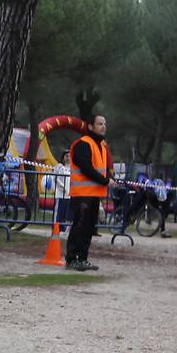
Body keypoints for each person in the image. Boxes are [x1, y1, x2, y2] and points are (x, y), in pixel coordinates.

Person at [65, 114, 111, 271]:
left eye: (104, 124)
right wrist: (105, 181)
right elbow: (86, 168)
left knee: (88, 228)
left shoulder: (102, 145)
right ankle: (72, 259)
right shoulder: (83, 144)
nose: (103, 126)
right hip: (82, 194)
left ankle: (83, 258)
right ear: (90, 126)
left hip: (94, 194)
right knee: (79, 226)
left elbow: (102, 169)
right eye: (100, 124)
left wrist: (109, 179)